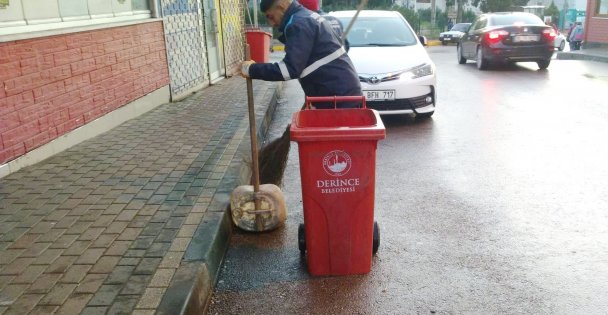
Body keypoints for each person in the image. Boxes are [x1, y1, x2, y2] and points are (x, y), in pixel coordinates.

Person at [241, 0, 362, 108]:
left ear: (281, 6)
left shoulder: (298, 24)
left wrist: (251, 69)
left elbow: (288, 70)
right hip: (340, 95)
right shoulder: (306, 16)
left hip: (338, 100)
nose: (272, 23)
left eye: (271, 16)